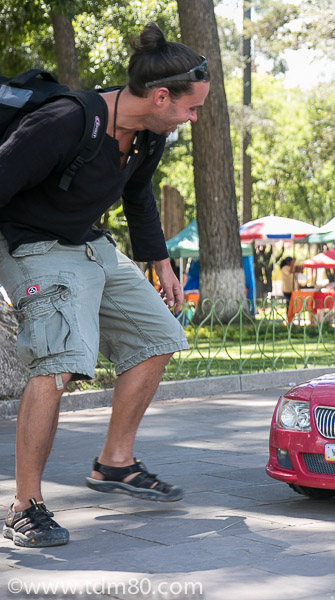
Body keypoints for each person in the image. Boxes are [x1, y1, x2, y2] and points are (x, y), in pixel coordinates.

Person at [0, 23, 210, 547]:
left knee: (159, 337)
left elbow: (138, 200)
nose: (194, 117)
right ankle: (25, 505)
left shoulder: (148, 135)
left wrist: (161, 267)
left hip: (91, 244)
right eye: (191, 108)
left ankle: (115, 461)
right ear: (160, 96)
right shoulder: (67, 121)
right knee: (59, 359)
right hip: (32, 244)